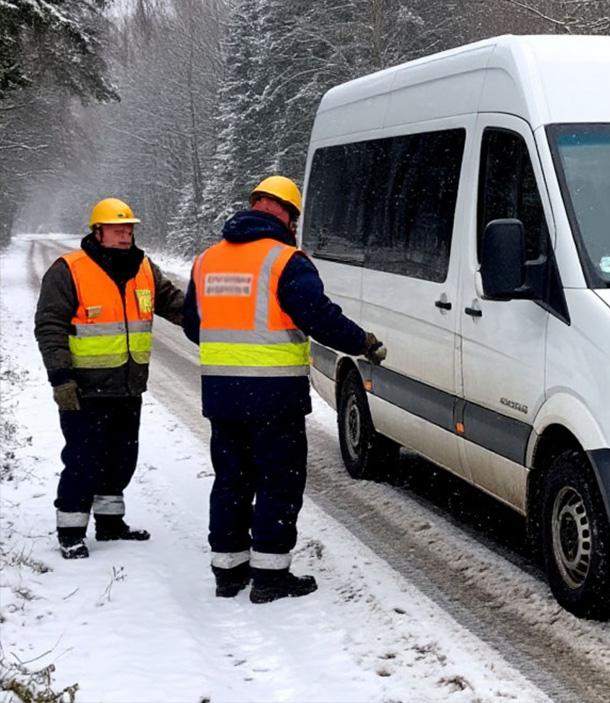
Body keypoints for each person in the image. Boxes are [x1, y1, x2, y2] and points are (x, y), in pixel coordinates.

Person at [183, 175, 386, 603]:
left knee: (231, 480)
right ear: (288, 214)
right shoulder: (285, 261)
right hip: (274, 398)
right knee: (278, 481)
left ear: (255, 204)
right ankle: (271, 576)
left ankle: (228, 571)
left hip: (222, 396)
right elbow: (319, 317)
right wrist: (362, 342)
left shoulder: (207, 261)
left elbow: (192, 325)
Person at [34, 198, 186, 559]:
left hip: (128, 386)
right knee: (84, 459)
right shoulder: (68, 270)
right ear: (97, 231)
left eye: (130, 228)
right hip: (83, 389)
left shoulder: (145, 267)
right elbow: (50, 326)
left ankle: (110, 523)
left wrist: (210, 321)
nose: (126, 234)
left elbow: (173, 304)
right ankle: (71, 530)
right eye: (118, 229)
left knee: (121, 457)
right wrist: (60, 378)